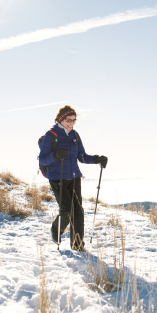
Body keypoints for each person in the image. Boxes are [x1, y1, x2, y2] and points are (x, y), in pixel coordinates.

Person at [38, 105, 108, 251]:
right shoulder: (51, 135)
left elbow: (81, 156)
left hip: (75, 178)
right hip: (58, 179)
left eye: (73, 120)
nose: (71, 123)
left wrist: (97, 159)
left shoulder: (75, 135)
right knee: (66, 211)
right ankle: (55, 229)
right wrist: (56, 155)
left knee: (78, 212)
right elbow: (43, 160)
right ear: (60, 119)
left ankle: (77, 245)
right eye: (68, 120)